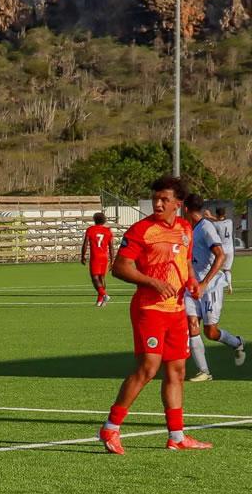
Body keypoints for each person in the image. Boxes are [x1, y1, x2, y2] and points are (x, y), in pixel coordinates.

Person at [99, 176, 210, 454]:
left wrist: (192, 280)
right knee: (148, 368)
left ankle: (177, 436)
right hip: (149, 310)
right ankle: (111, 428)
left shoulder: (186, 227)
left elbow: (185, 262)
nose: (158, 204)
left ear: (178, 204)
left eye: (164, 200)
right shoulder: (142, 230)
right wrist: (152, 281)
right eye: (156, 199)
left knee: (177, 370)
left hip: (176, 310)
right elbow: (120, 268)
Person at [183, 195, 244, 381]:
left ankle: (236, 343)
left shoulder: (206, 228)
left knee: (211, 332)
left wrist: (204, 283)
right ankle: (204, 372)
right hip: (192, 287)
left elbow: (220, 256)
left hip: (210, 287)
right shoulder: (188, 228)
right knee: (192, 325)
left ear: (185, 209)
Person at [82, 212, 115, 306]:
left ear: (94, 220)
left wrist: (83, 255)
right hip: (105, 257)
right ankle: (100, 301)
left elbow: (85, 244)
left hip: (95, 256)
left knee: (94, 278)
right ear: (104, 220)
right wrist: (112, 260)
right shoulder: (108, 231)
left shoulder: (90, 230)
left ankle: (104, 295)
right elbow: (111, 247)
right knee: (102, 278)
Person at [212, 206, 235, 294]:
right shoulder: (230, 222)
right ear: (224, 214)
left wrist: (209, 217)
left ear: (216, 214)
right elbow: (221, 220)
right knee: (227, 269)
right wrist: (212, 217)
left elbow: (217, 222)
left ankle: (217, 285)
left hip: (221, 249)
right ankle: (229, 285)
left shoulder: (215, 225)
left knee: (215, 268)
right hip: (230, 249)